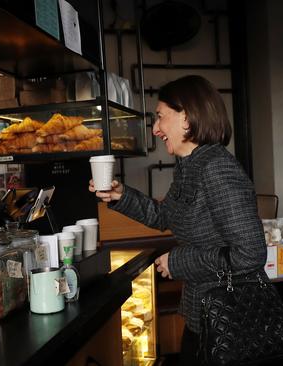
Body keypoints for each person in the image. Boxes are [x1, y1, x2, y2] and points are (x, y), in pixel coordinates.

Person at [89, 75, 267, 365]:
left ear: (187, 118)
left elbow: (251, 253)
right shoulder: (189, 167)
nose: (156, 128)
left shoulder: (217, 169)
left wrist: (178, 262)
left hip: (232, 323)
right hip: (205, 316)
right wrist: (120, 196)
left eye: (160, 117)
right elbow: (163, 215)